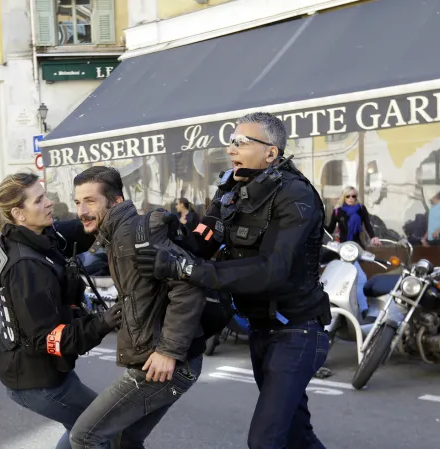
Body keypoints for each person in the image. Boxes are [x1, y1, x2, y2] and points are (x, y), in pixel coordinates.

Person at [135, 112, 330, 449]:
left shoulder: (296, 195)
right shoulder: (231, 188)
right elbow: (202, 241)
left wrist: (187, 269)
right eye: (231, 141)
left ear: (270, 152)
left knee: (265, 441)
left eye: (241, 142)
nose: (231, 149)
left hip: (297, 331)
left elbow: (272, 269)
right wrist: (173, 235)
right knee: (297, 435)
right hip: (260, 328)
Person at [69, 166, 206, 449]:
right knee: (126, 440)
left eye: (90, 201)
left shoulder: (136, 235)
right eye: (78, 202)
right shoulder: (115, 236)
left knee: (84, 437)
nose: (82, 211)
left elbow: (189, 286)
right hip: (162, 361)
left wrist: (168, 351)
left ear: (116, 201)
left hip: (167, 365)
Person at [0, 172, 122, 449]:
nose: (49, 203)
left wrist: (117, 213)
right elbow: (48, 338)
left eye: (45, 195)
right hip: (36, 381)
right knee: (102, 430)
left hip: (44, 371)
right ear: (19, 214)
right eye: (38, 200)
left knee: (80, 432)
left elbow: (82, 230)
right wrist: (104, 321)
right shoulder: (26, 266)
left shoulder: (38, 236)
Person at [326, 186, 381, 321]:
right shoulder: (338, 211)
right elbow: (330, 229)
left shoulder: (361, 209)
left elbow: (367, 224)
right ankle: (363, 309)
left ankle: (358, 309)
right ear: (343, 197)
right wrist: (316, 222)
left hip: (356, 248)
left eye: (353, 196)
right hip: (343, 250)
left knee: (355, 279)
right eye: (348, 196)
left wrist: (373, 237)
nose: (351, 198)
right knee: (360, 278)